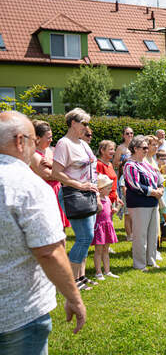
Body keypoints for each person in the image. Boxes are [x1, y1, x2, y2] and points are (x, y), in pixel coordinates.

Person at [0, 110, 86, 353]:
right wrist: (74, 298)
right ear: (20, 141)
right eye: (33, 141)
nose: (36, 147)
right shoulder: (28, 185)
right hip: (17, 314)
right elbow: (49, 251)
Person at [52, 108, 98, 290]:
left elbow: (92, 168)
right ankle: (70, 282)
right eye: (83, 124)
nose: (86, 128)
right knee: (84, 237)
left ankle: (80, 276)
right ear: (73, 123)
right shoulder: (64, 144)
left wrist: (96, 192)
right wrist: (80, 185)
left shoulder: (82, 144)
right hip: (73, 194)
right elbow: (56, 173)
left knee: (87, 237)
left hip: (89, 194)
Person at [123, 135, 164, 271]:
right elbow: (134, 185)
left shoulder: (146, 164)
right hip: (139, 203)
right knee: (140, 235)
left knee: (152, 234)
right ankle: (140, 264)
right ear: (135, 149)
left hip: (152, 203)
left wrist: (160, 188)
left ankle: (151, 261)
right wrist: (153, 192)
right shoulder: (130, 165)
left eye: (147, 147)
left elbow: (158, 179)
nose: (147, 150)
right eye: (144, 147)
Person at [30, 120, 70, 229]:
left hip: (57, 191)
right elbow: (47, 175)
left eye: (51, 136)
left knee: (61, 228)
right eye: (48, 138)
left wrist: (52, 165)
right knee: (48, 227)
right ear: (37, 138)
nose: (51, 140)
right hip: (43, 193)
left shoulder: (52, 150)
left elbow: (66, 166)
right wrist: (60, 170)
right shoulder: (33, 155)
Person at [92, 175, 120, 281]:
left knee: (106, 250)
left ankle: (107, 271)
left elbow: (109, 213)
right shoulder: (97, 200)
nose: (110, 190)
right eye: (108, 188)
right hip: (100, 227)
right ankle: (98, 272)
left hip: (108, 226)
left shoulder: (107, 199)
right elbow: (98, 212)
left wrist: (114, 210)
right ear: (100, 189)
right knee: (98, 250)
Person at [96, 140, 120, 205]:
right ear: (102, 151)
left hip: (111, 200)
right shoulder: (99, 164)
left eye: (114, 149)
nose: (113, 152)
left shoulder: (110, 164)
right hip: (104, 201)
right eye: (111, 149)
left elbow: (113, 184)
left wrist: (117, 197)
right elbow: (98, 185)